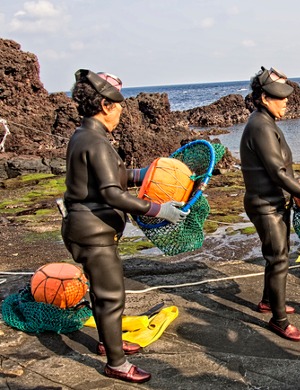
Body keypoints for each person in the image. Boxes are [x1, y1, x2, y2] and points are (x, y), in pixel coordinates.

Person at [61, 69, 188, 383]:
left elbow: (108, 179)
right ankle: (116, 364)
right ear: (106, 106)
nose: (120, 111)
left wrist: (141, 174)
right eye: (118, 106)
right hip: (93, 233)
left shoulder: (86, 135)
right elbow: (110, 193)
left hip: (87, 228)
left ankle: (109, 343)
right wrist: (159, 209)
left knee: (102, 294)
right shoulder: (94, 140)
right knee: (111, 296)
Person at [240, 66, 300, 341]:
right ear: (264, 98)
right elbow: (277, 173)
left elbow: (284, 171)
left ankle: (269, 301)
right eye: (280, 97)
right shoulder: (260, 126)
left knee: (279, 255)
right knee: (278, 259)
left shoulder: (266, 123)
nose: (286, 102)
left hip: (274, 202)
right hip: (264, 204)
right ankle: (279, 320)